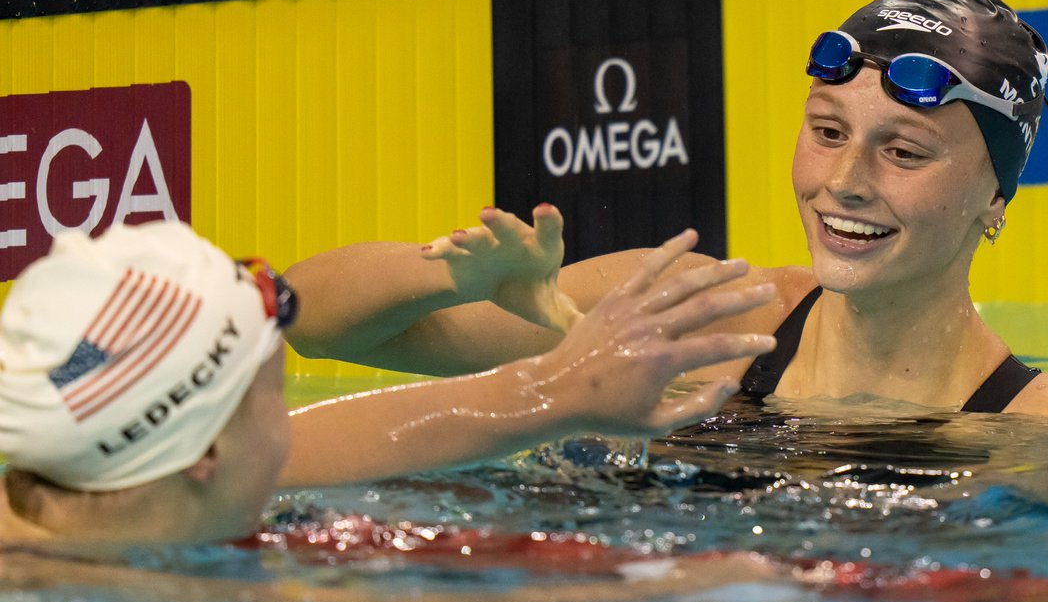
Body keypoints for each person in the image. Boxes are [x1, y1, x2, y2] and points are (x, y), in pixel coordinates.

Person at [284, 0, 1048, 415]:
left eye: (904, 150)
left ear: (997, 196)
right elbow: (305, 320)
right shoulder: (689, 312)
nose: (844, 182)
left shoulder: (1038, 430)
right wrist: (450, 280)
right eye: (828, 131)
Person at [0, 220, 776, 543]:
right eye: (273, 393)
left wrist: (557, 390)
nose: (295, 422)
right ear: (205, 453)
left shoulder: (104, 479)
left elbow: (365, 430)